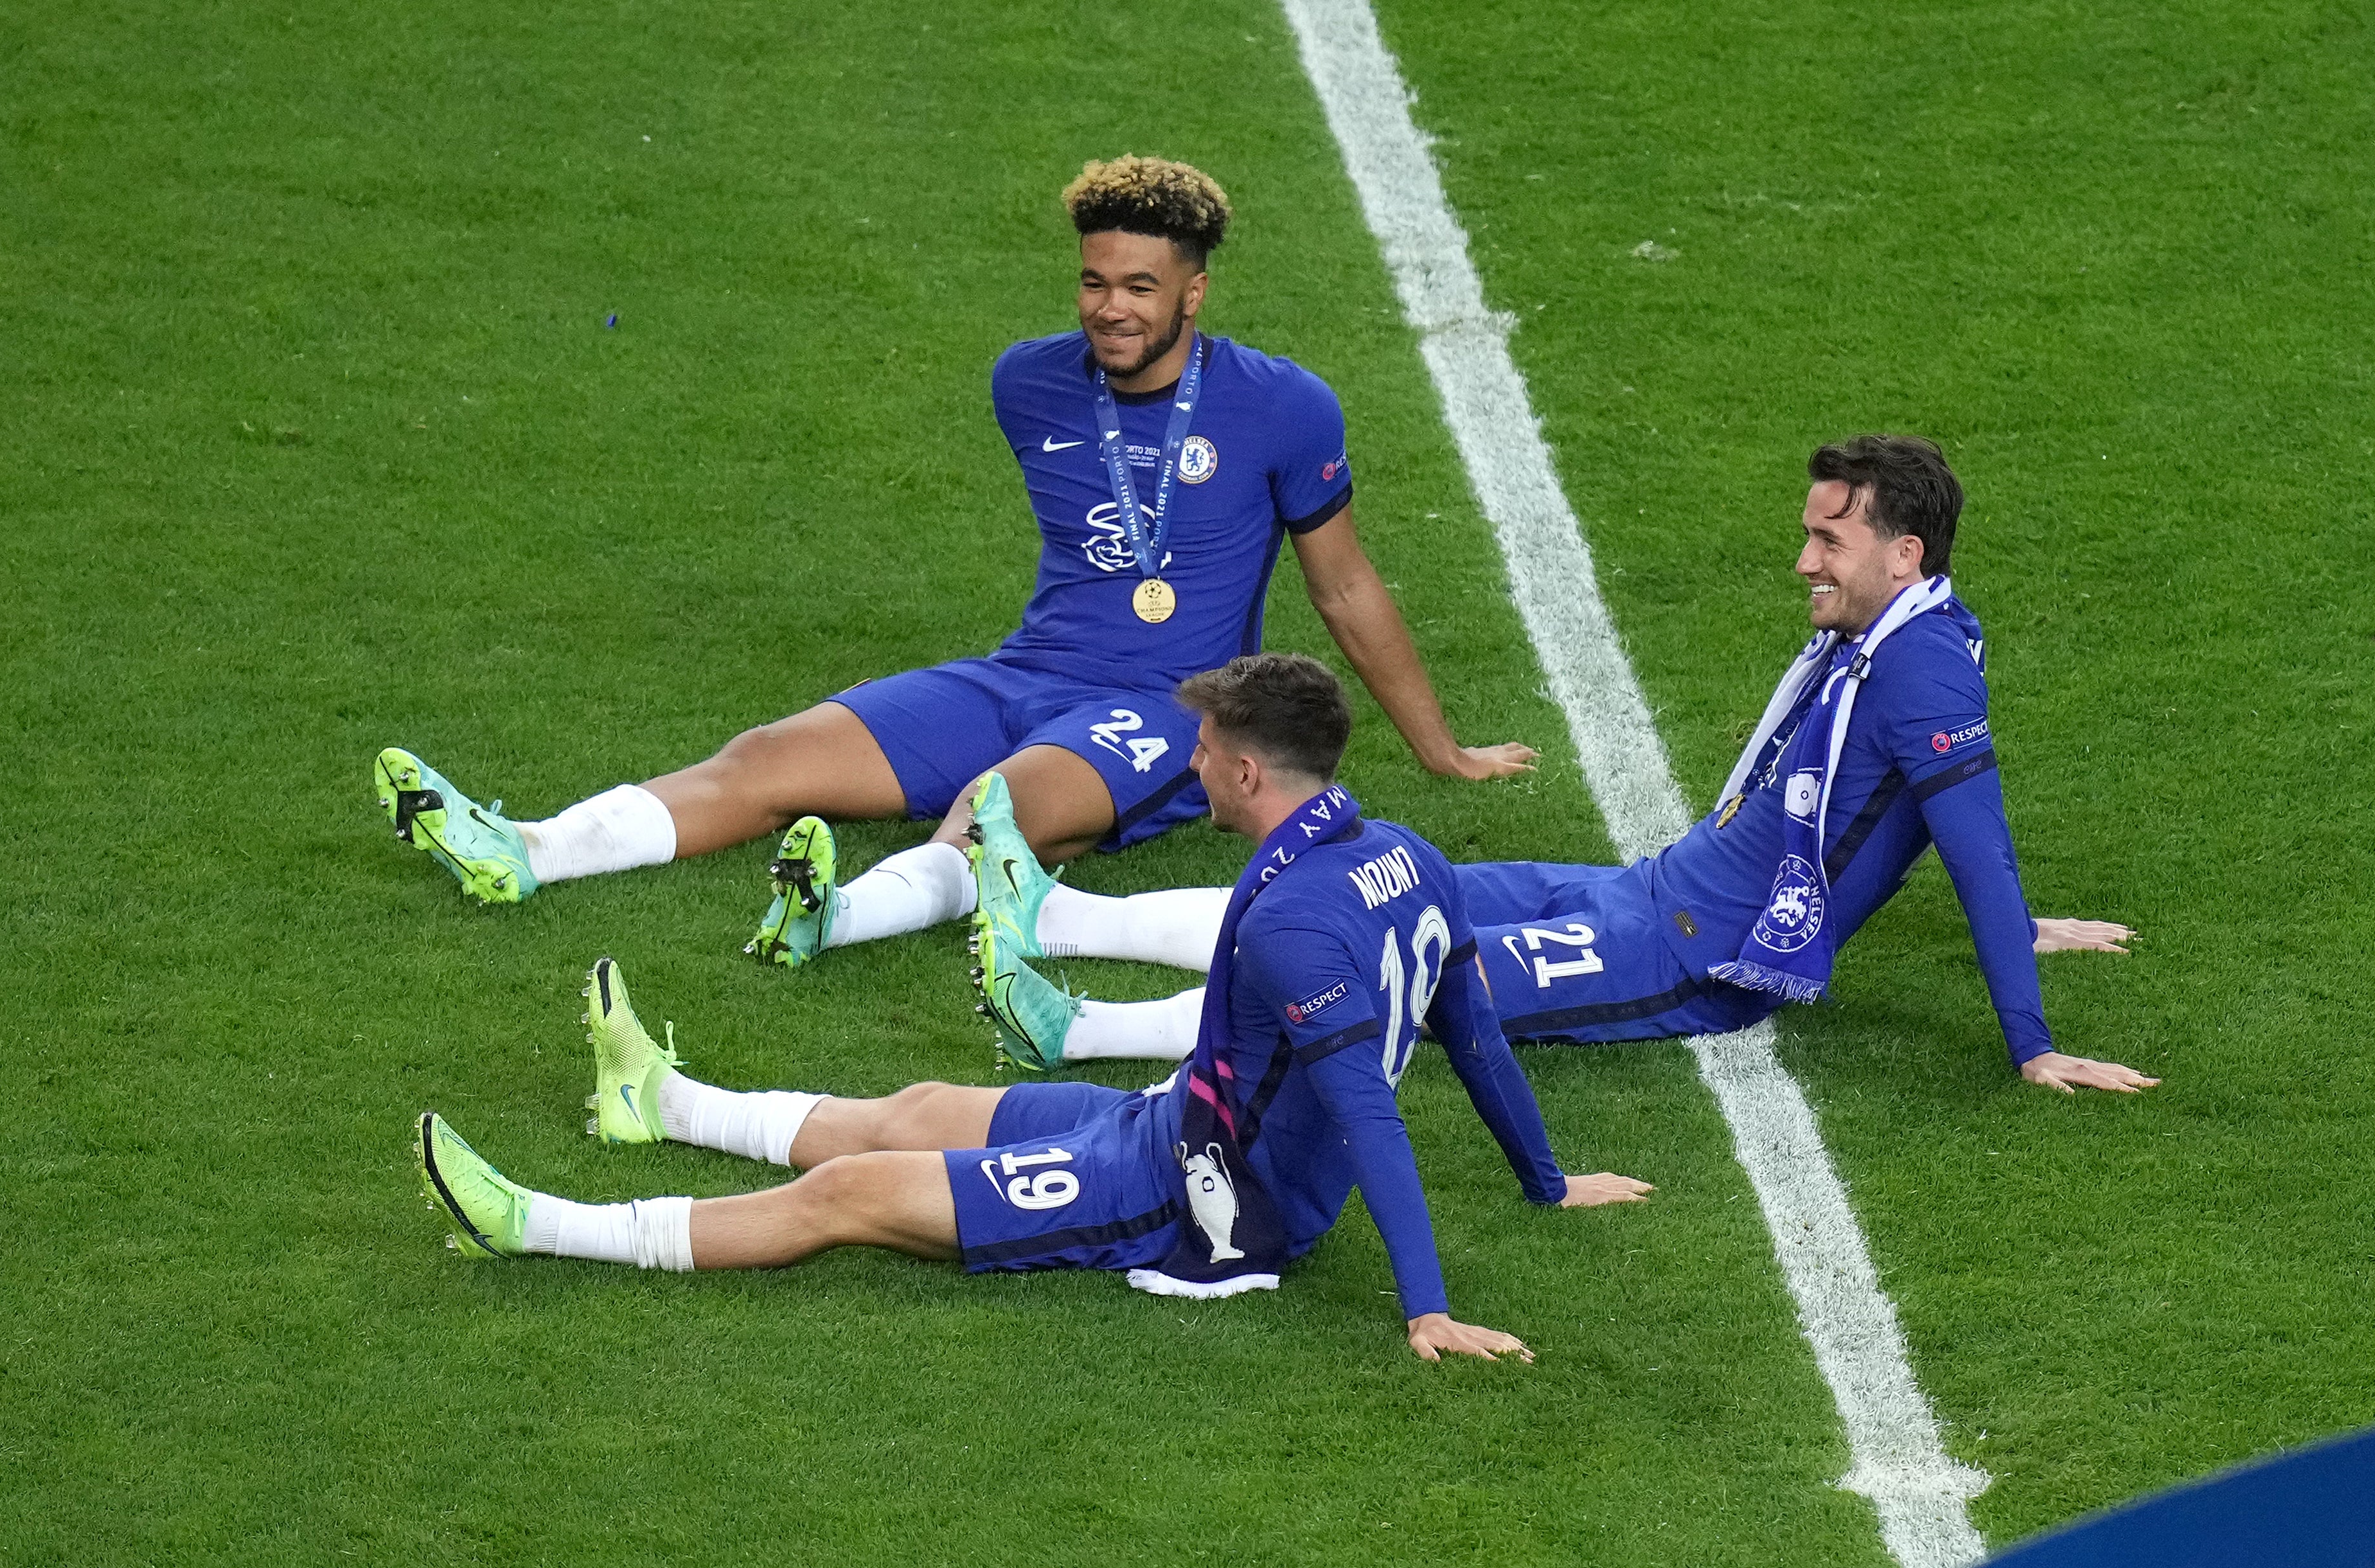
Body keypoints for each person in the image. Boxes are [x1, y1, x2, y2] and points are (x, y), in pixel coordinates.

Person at [369, 155, 1534, 975]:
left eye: (1139, 287)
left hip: (1164, 711)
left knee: (1001, 814)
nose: (1110, 309)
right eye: (1094, 281)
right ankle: (528, 853)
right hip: (1021, 675)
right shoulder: (1026, 383)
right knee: (772, 756)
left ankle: (833, 921)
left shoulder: (1283, 407)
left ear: (1194, 289)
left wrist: (1440, 749)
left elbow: (1343, 584)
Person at [413, 655, 1642, 1360]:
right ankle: (657, 1102)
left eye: (1206, 749)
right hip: (1179, 1126)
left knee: (849, 1201)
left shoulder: (1291, 920)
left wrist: (1426, 1306)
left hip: (1195, 1207)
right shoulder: (1405, 855)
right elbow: (1470, 1025)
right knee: (919, 1109)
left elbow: (1367, 1110)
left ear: (1251, 773)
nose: (1191, 761)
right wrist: (1545, 1181)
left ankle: (540, 1228)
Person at [995, 436, 2154, 1094]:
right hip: (1652, 886)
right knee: (1376, 888)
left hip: (1689, 953)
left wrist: (2032, 1039)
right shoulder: (1899, 633)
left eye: (1828, 541)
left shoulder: (1923, 670)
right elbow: (1937, 822)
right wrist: (2025, 915)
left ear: (1904, 556)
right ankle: (1056, 913)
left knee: (1391, 968)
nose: (1802, 559)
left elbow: (1965, 827)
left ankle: (1079, 1030)